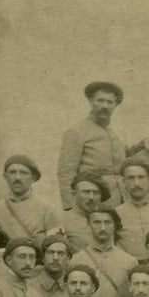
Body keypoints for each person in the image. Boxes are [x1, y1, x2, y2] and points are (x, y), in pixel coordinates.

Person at [57, 81, 127, 209]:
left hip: (122, 199)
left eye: (110, 102)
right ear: (91, 101)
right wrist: (70, 208)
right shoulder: (76, 132)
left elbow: (124, 157)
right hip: (94, 199)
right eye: (100, 100)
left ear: (116, 104)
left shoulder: (119, 131)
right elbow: (66, 173)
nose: (105, 106)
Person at [0, 154, 68, 248]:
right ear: (5, 177)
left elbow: (56, 248)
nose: (17, 177)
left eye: (23, 173)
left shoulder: (48, 209)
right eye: (12, 172)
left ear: (33, 178)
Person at [70, 207, 135, 297]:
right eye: (97, 222)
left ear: (114, 226)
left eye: (107, 222)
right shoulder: (76, 260)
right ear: (88, 225)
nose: (102, 228)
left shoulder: (129, 261)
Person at [61, 174, 109, 254]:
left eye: (96, 193)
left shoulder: (108, 219)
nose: (91, 197)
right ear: (74, 194)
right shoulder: (62, 219)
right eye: (86, 192)